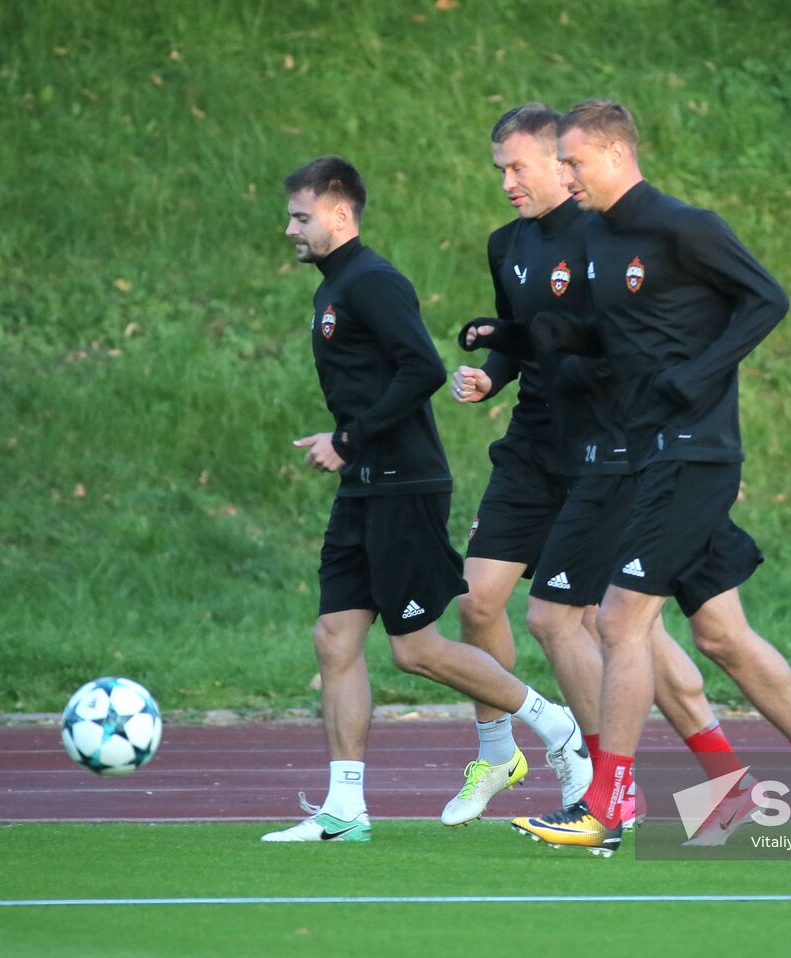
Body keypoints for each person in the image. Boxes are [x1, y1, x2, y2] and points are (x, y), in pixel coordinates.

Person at [510, 100, 791, 856]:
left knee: (618, 621)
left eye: (572, 161)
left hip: (692, 451)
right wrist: (523, 335)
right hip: (647, 455)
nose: (565, 174)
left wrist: (699, 375)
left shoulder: (684, 225)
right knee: (720, 634)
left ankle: (606, 808)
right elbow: (610, 337)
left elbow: (768, 299)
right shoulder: (599, 240)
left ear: (614, 153)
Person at [261, 155, 589, 843]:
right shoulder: (334, 286)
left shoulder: (373, 282)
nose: (289, 228)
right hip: (364, 485)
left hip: (404, 485)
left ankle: (554, 724)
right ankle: (345, 810)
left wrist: (350, 438)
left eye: (300, 217)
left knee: (414, 650)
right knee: (334, 638)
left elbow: (424, 369)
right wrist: (348, 440)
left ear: (340, 214)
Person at [445, 104, 750, 835]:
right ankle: (518, 757)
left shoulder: (607, 235)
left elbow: (626, 338)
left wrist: (678, 400)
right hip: (532, 449)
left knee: (606, 624)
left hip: (610, 449)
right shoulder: (507, 245)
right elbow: (529, 337)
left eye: (520, 167)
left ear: (563, 163)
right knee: (481, 601)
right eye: (501, 171)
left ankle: (633, 785)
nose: (508, 183)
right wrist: (494, 373)